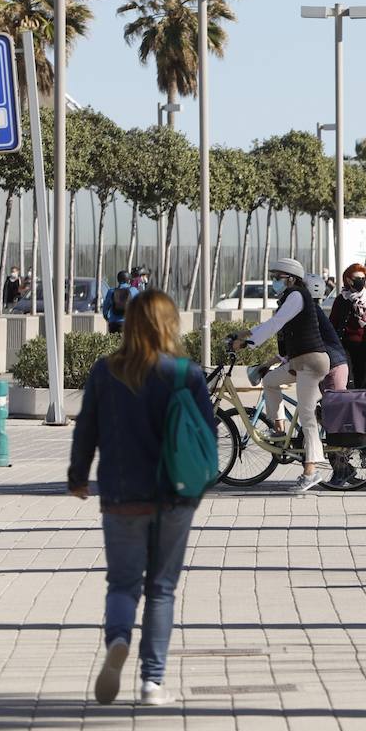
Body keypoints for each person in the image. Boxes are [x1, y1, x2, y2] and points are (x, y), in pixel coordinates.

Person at [68, 288, 213, 707]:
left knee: (122, 584)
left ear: (128, 323)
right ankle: (152, 683)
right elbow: (206, 437)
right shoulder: (186, 373)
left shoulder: (104, 371)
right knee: (162, 589)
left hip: (120, 494)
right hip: (174, 495)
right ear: (170, 324)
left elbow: (86, 431)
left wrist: (78, 477)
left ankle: (117, 640)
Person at [229, 258, 329, 493]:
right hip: (298, 361)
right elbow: (275, 325)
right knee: (270, 381)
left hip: (311, 362)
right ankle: (279, 429)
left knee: (306, 415)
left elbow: (276, 323)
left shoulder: (296, 295)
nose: (274, 282)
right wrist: (242, 334)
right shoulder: (289, 298)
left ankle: (311, 471)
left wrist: (246, 343)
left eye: (277, 277)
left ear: (291, 279)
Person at [329, 263, 366, 389]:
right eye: (357, 279)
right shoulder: (341, 300)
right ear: (348, 280)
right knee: (349, 382)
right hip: (345, 348)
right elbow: (332, 325)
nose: (360, 281)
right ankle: (351, 407)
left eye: (363, 278)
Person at [102, 270, 138, 334]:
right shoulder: (134, 291)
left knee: (113, 343)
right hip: (129, 323)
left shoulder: (111, 291)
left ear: (118, 280)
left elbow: (105, 308)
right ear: (129, 280)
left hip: (114, 324)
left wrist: (108, 318)